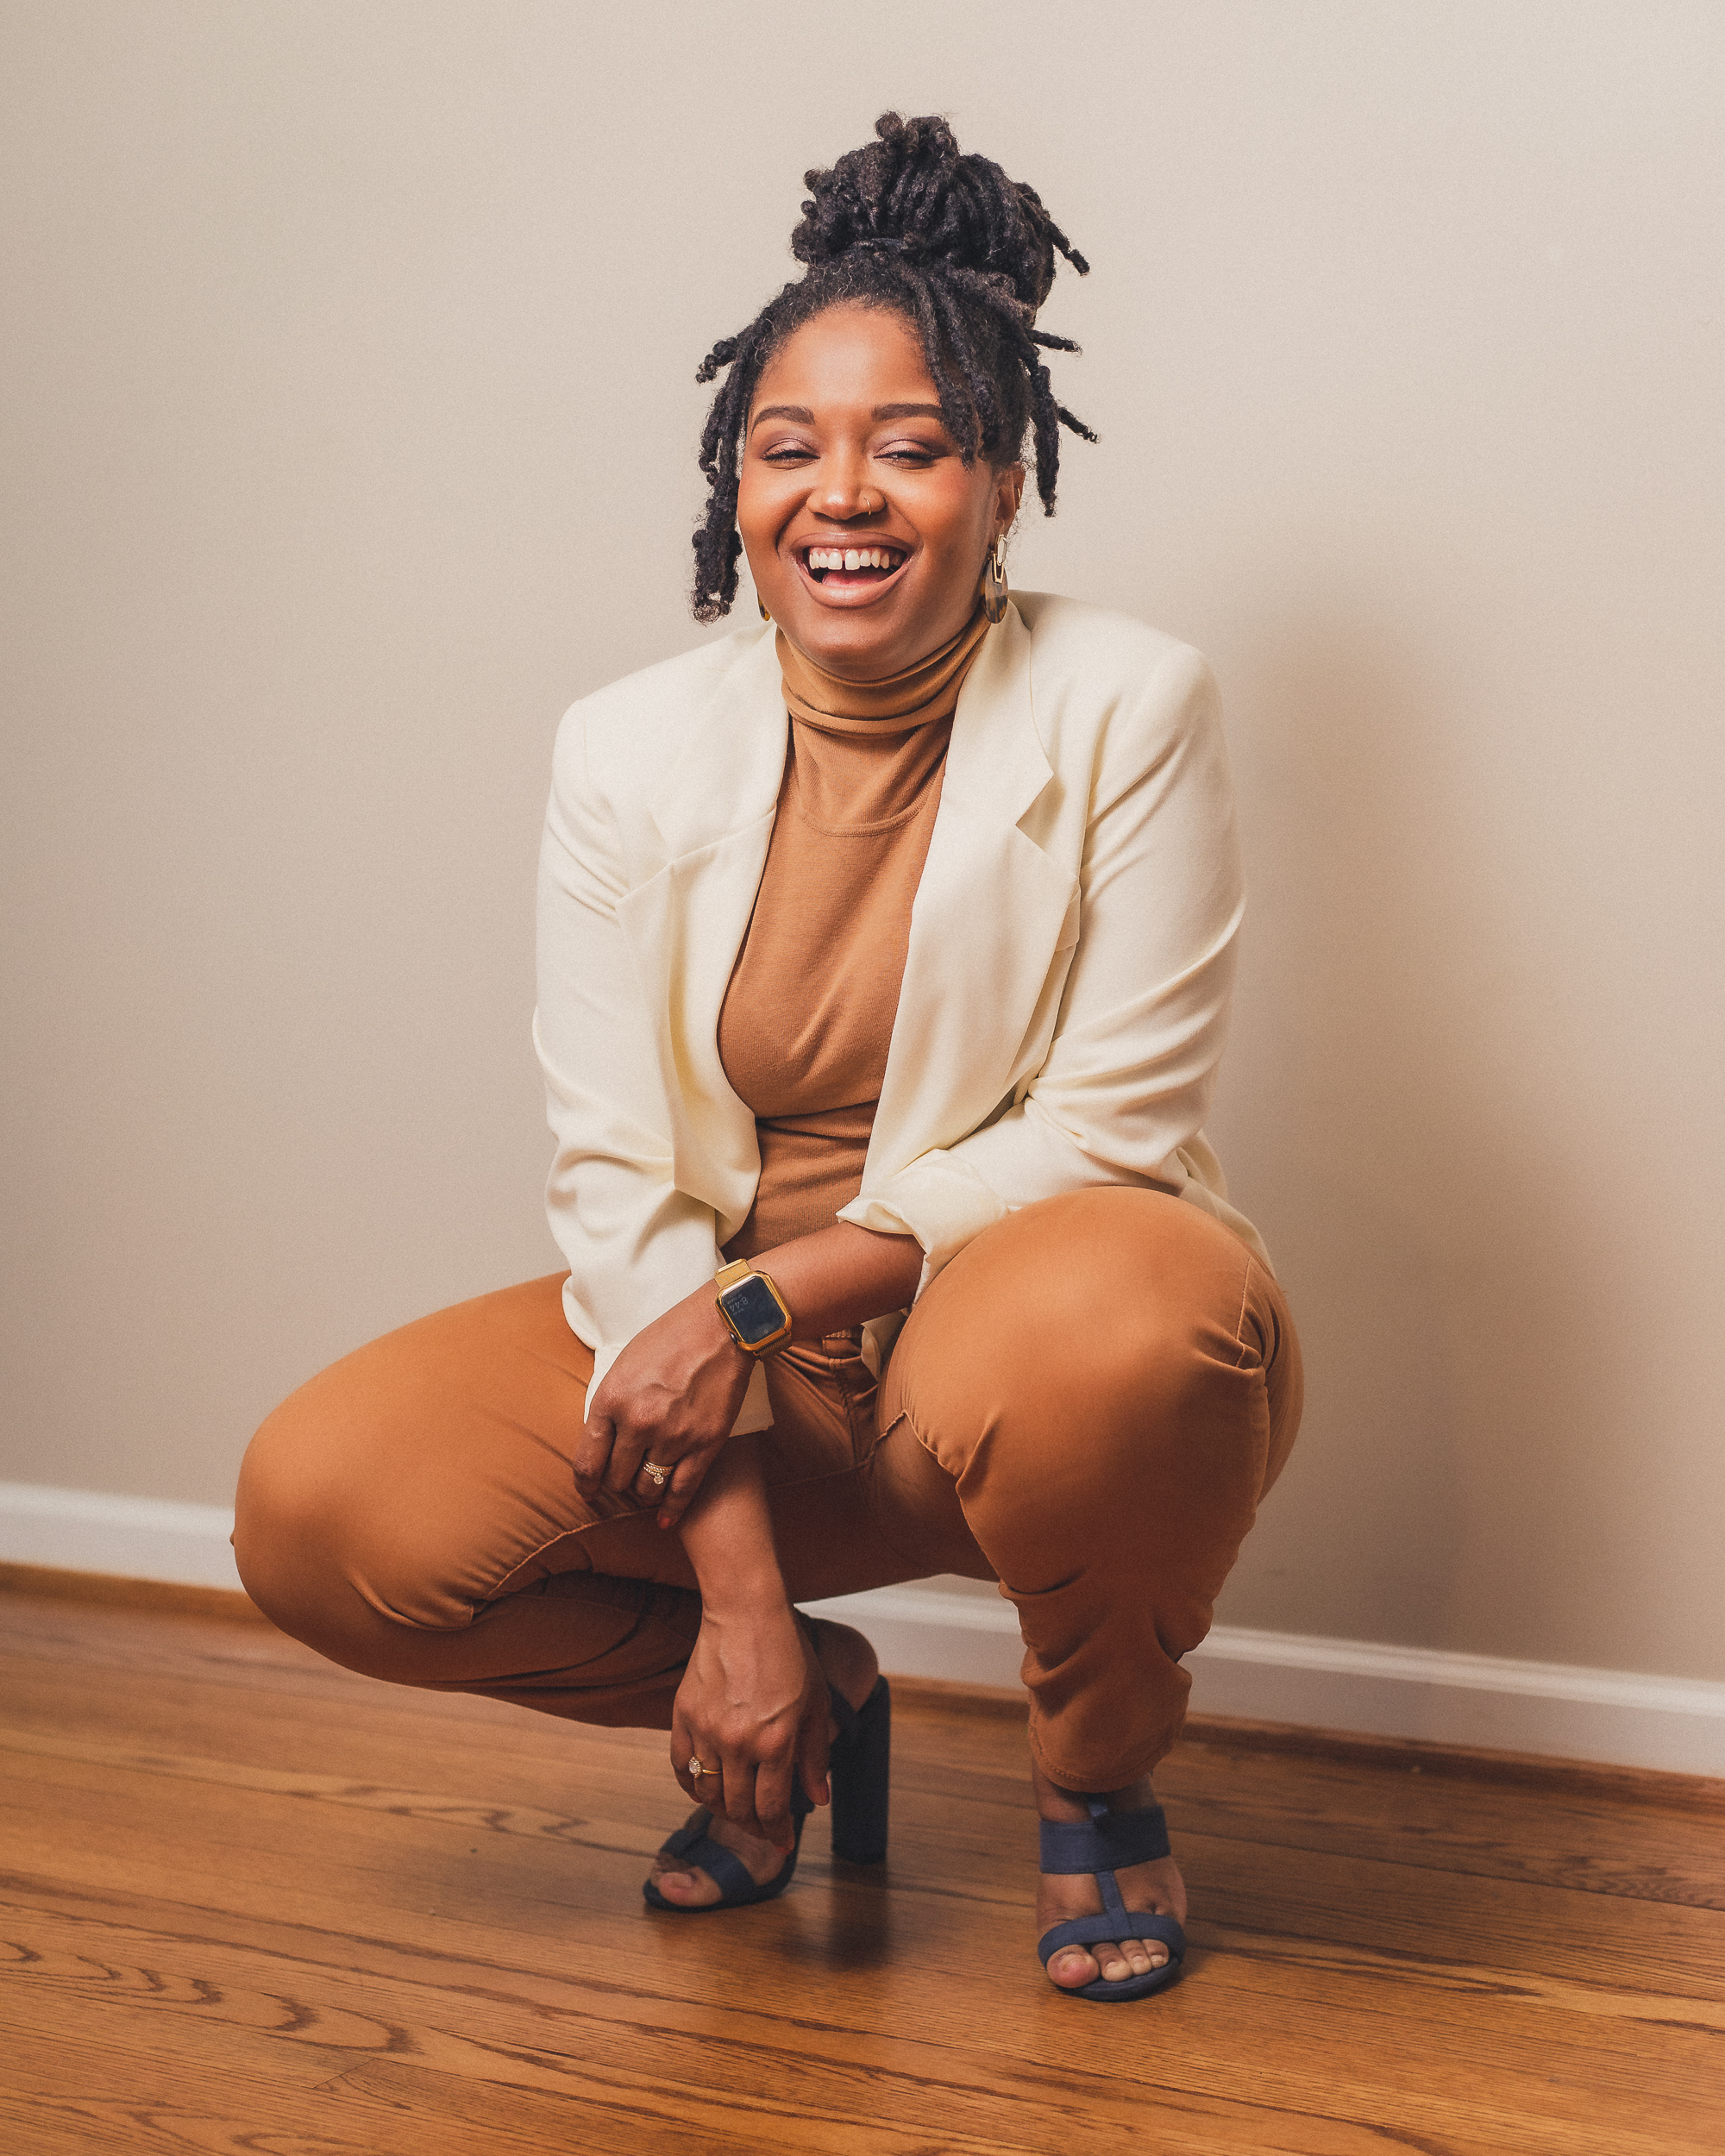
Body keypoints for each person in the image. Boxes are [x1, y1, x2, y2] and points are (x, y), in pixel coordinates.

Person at [235, 112, 1302, 2004]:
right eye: (789, 445)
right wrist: (746, 1605)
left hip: (1006, 1328)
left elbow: (1111, 1125)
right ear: (734, 479)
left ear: (1004, 480)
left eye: (913, 444)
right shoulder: (624, 744)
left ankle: (1094, 1776)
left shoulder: (1130, 701)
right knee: (322, 1509)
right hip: (743, 1363)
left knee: (1126, 1324)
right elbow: (615, 1166)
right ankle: (805, 1701)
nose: (843, 494)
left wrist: (760, 1301)